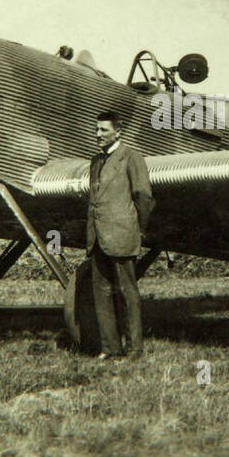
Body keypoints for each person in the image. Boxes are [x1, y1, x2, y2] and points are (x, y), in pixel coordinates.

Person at [86, 111, 154, 359]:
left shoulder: (131, 157)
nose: (98, 135)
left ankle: (135, 349)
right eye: (96, 129)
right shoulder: (95, 161)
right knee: (102, 294)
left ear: (118, 132)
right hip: (98, 237)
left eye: (103, 130)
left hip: (122, 234)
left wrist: (140, 229)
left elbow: (144, 196)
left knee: (128, 292)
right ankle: (111, 348)